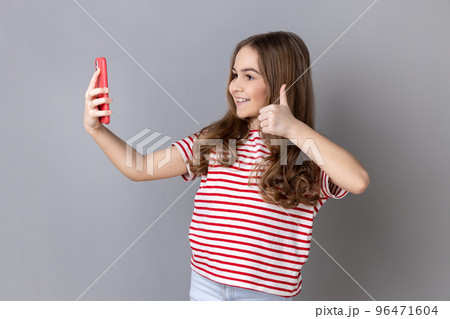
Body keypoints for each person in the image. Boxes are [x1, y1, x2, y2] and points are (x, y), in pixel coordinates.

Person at [83, 31, 370, 301]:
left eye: (249, 76)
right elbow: (140, 167)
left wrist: (293, 129)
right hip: (205, 286)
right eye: (234, 74)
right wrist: (96, 130)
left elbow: (357, 180)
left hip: (265, 298)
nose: (235, 86)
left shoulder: (304, 154)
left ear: (282, 81)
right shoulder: (217, 140)